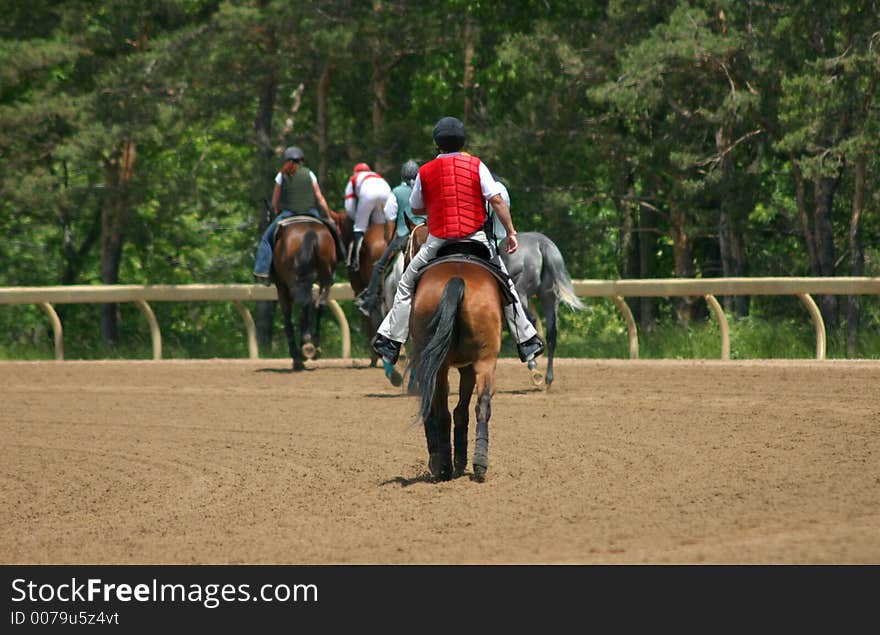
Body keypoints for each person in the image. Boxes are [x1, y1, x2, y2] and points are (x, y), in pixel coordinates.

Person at [371, 116, 544, 365]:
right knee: (506, 285)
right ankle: (526, 340)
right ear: (463, 142)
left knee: (406, 284)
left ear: (436, 144)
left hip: (439, 240)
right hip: (476, 238)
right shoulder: (477, 165)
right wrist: (511, 231)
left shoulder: (426, 170)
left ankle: (391, 341)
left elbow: (416, 207)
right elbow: (496, 200)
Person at [253, 145, 344, 283]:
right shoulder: (310, 173)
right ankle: (336, 263)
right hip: (311, 212)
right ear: (301, 160)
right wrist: (329, 217)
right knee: (331, 233)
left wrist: (276, 211)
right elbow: (319, 197)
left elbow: (275, 201)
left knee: (266, 238)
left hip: (288, 214)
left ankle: (262, 270)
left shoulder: (281, 175)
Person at [354, 159, 426, 317]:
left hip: (404, 236)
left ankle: (369, 301)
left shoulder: (397, 192)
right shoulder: (424, 189)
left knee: (380, 265)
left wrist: (389, 241)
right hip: (426, 235)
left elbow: (390, 219)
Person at [343, 162, 392, 271]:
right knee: (380, 226)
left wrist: (359, 219)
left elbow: (349, 207)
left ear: (355, 172)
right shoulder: (376, 175)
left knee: (359, 227)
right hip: (386, 190)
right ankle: (389, 257)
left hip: (368, 193)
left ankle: (355, 262)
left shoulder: (353, 178)